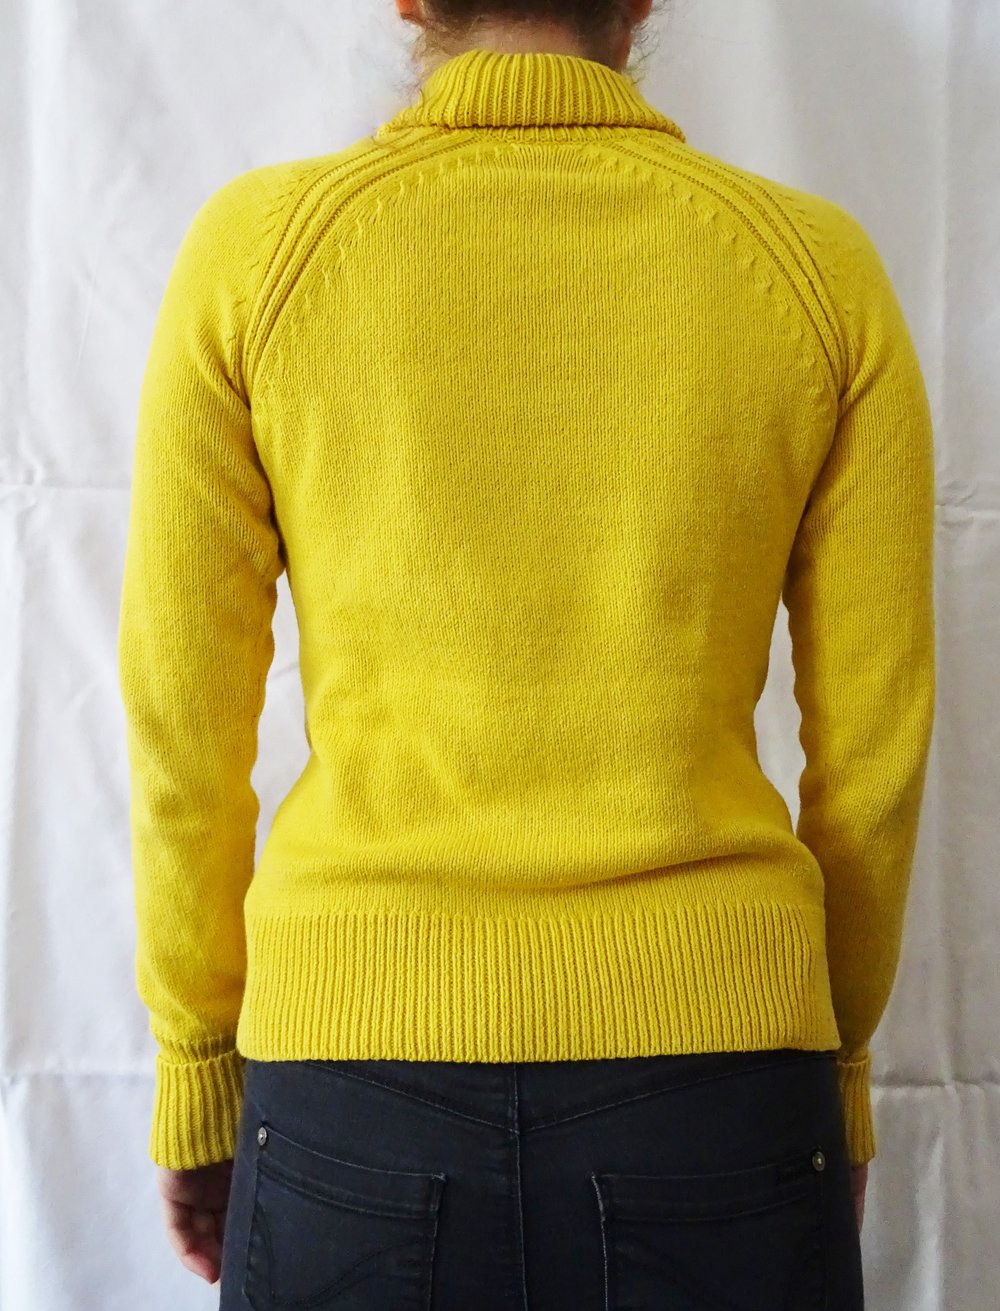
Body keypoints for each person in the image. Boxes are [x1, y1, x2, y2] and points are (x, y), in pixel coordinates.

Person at [118, 0, 935, 1306]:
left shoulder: (258, 257)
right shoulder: (812, 271)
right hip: (723, 1088)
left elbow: (180, 727)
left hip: (351, 1088)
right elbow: (876, 761)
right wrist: (830, 1075)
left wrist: (198, 1070)